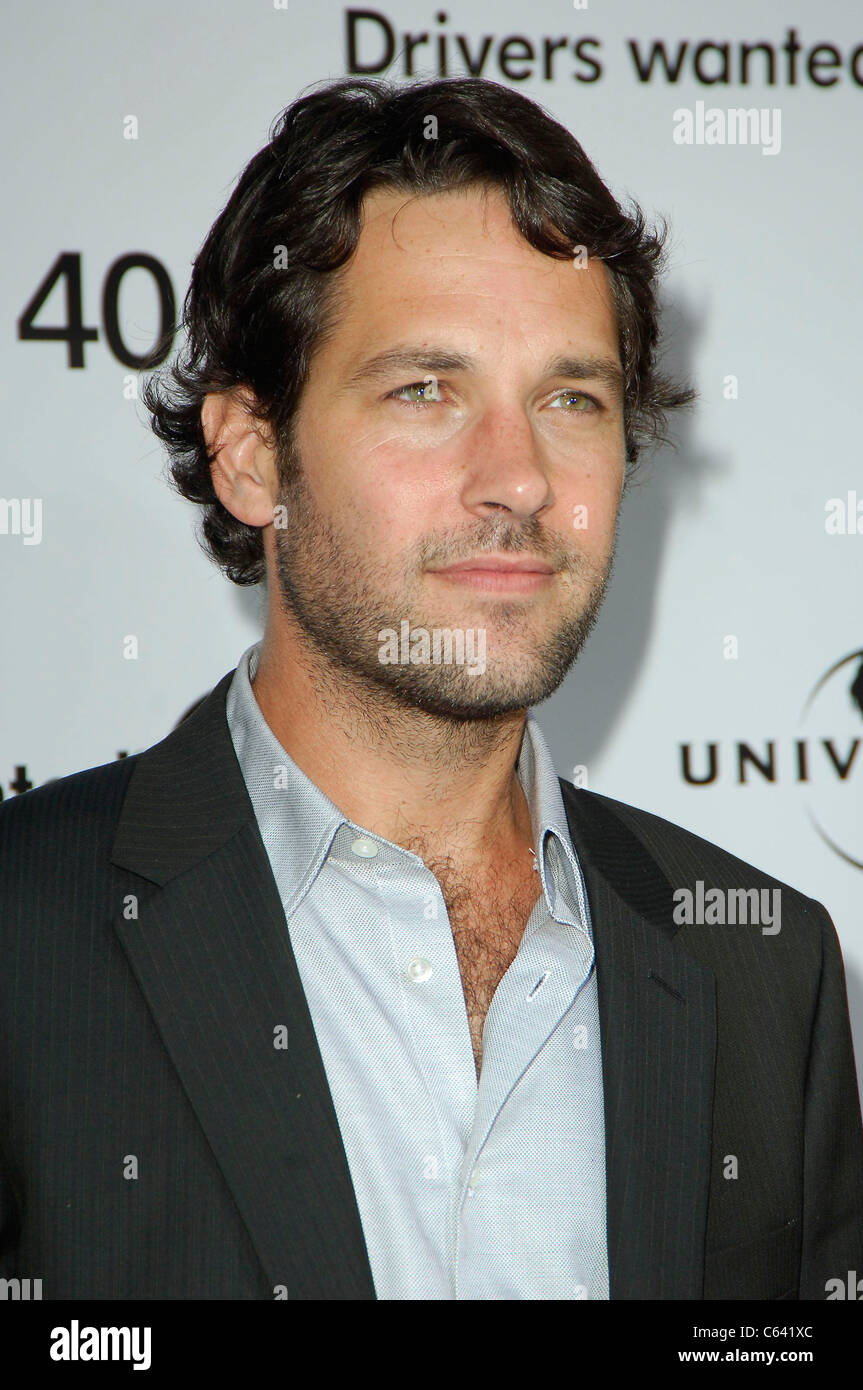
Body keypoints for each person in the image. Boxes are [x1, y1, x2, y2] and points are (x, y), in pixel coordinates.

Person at [1, 76, 861, 1302]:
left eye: (570, 398)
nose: (514, 477)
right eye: (424, 391)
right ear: (252, 455)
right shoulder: (26, 939)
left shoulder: (762, 968)